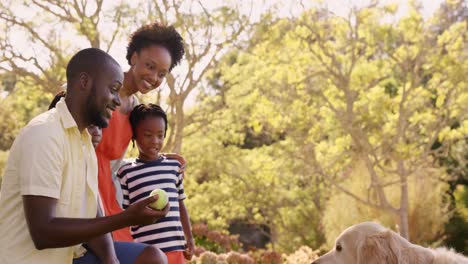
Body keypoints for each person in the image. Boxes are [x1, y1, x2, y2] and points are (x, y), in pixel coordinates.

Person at [0, 48, 169, 264]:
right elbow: (43, 232)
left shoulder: (84, 143)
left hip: (69, 257)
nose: (118, 101)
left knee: (152, 258)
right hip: (29, 259)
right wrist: (127, 218)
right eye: (113, 89)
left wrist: (110, 259)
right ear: (84, 82)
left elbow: (94, 214)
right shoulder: (44, 134)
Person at [96, 22, 186, 241]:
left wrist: (161, 158)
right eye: (150, 66)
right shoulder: (102, 89)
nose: (154, 77)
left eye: (162, 74)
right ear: (134, 57)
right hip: (82, 190)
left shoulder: (137, 111)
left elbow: (119, 163)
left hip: (110, 196)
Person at [118, 104, 194, 263]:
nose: (155, 141)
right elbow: (126, 215)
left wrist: (190, 237)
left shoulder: (174, 167)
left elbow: (180, 205)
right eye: (147, 135)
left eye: (160, 135)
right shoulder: (126, 172)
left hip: (175, 247)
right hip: (146, 253)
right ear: (134, 136)